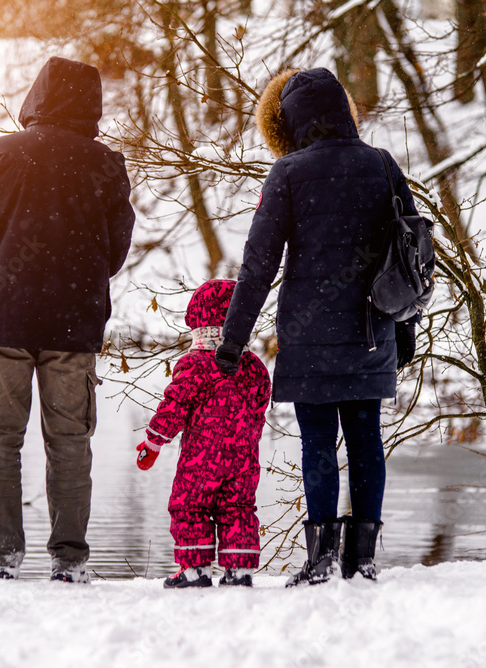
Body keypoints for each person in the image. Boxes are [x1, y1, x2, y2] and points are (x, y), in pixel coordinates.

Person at [215, 68, 420, 586]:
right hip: (371, 329)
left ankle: (322, 558)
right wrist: (405, 327)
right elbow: (409, 253)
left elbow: (258, 265)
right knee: (366, 440)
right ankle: (364, 559)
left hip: (308, 337)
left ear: (290, 122)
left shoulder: (287, 173)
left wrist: (233, 341)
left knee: (317, 443)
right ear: (343, 109)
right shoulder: (380, 164)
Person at [0, 56, 135, 583]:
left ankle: (2, 561)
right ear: (92, 105)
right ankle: (70, 562)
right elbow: (115, 250)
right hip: (73, 323)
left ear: (36, 97)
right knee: (71, 443)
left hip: (2, 318)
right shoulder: (106, 165)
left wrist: (4, 259)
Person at [135, 280, 272, 588]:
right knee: (238, 508)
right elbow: (260, 408)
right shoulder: (255, 368)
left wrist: (153, 442)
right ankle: (240, 570)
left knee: (189, 506)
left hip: (202, 459)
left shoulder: (194, 365)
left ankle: (195, 569)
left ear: (198, 323)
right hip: (244, 458)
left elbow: (174, 408)